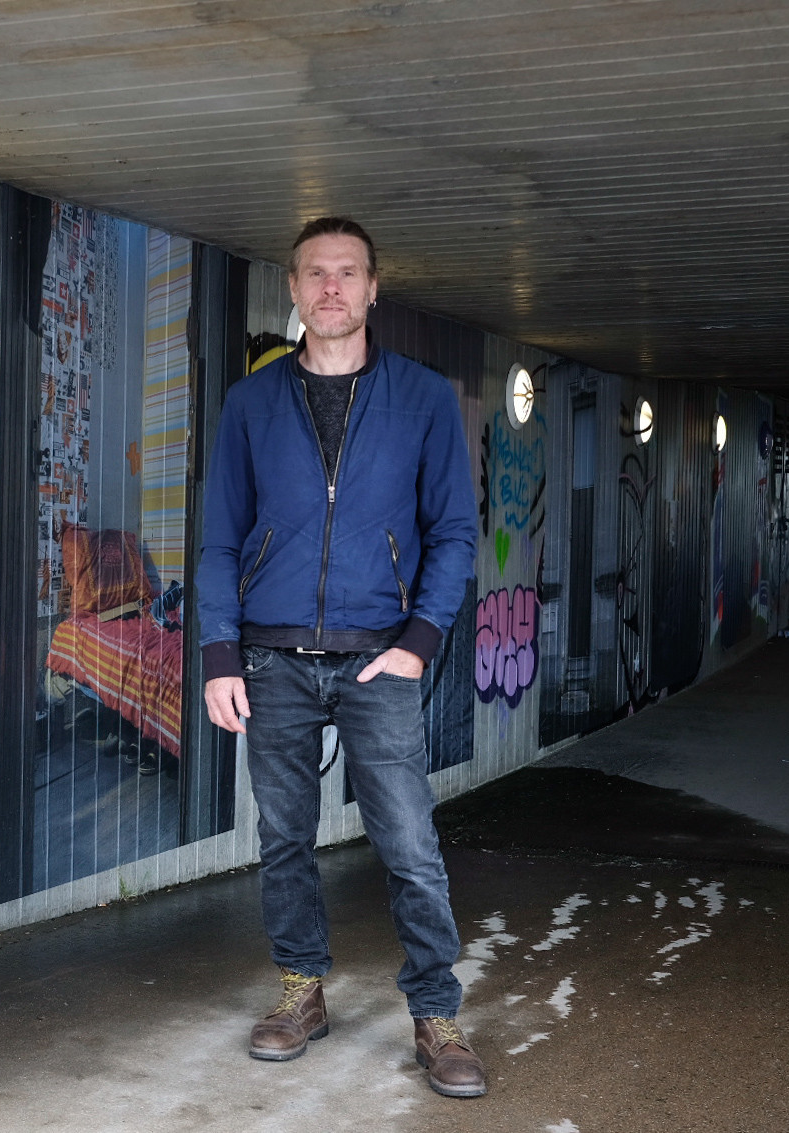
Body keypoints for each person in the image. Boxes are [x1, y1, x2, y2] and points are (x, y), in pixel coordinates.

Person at [196, 216, 484, 1097]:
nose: (331, 288)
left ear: (372, 288)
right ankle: (300, 991)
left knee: (407, 841)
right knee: (284, 837)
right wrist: (218, 655)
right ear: (293, 288)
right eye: (315, 273)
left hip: (377, 659)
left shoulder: (425, 398)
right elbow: (217, 538)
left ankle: (436, 1013)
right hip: (272, 658)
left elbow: (455, 531)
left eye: (347, 273)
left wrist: (419, 642)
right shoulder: (250, 404)